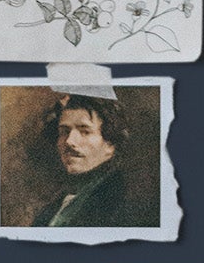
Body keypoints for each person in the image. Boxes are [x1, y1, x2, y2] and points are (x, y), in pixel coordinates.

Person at [28, 90, 158, 231]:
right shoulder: (54, 207)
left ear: (110, 144)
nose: (69, 141)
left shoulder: (124, 202)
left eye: (85, 132)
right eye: (64, 132)